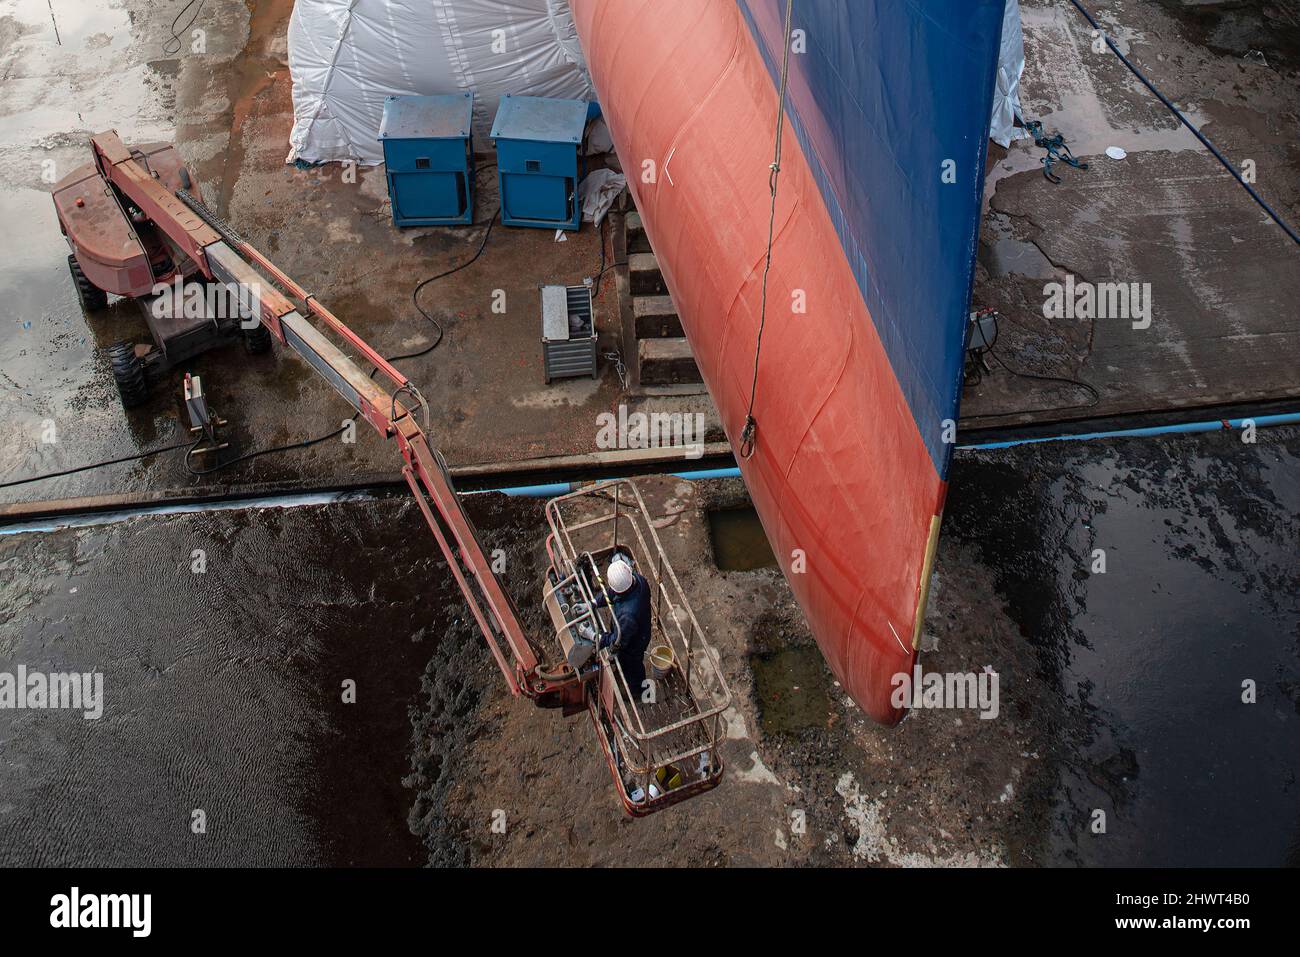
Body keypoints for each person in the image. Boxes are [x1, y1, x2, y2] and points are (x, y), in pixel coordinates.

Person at [593, 556, 652, 692]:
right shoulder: (638, 580)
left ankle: (637, 690)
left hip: (634, 644)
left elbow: (618, 639)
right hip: (639, 628)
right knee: (628, 662)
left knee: (632, 665)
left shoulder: (628, 616)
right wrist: (594, 602)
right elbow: (612, 592)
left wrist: (597, 637)